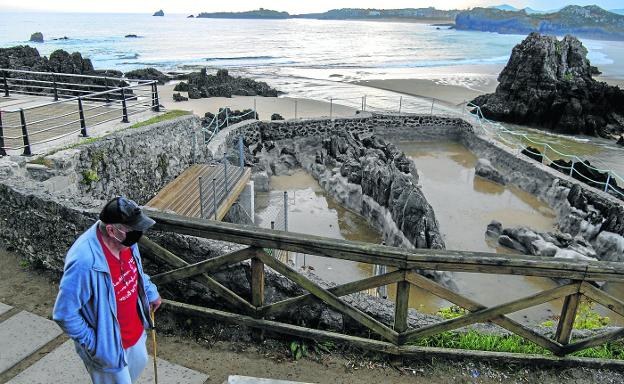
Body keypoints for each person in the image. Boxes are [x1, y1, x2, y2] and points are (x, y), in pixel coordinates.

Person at [53, 196, 162, 384]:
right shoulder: (84, 261)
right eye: (134, 229)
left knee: (139, 364)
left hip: (134, 331)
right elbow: (64, 314)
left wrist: (150, 291)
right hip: (108, 346)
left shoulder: (126, 241)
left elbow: (136, 270)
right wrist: (96, 346)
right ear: (112, 230)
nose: (139, 233)